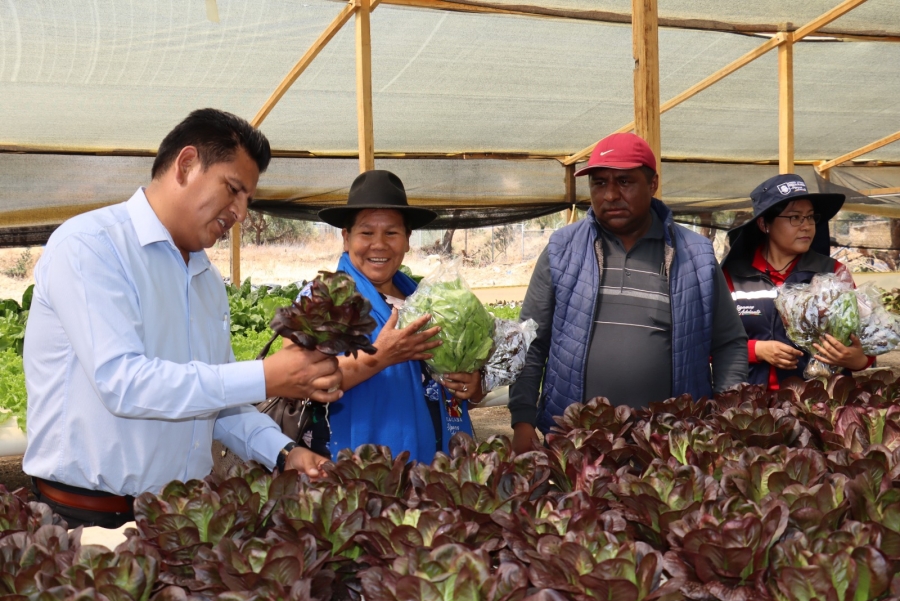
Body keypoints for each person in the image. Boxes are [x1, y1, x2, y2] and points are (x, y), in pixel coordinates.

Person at [22, 109, 343, 528]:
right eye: (233, 190)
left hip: (177, 519)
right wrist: (266, 376)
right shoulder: (91, 247)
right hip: (85, 517)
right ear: (187, 164)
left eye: (248, 199)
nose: (241, 213)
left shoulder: (206, 279)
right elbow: (124, 383)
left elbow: (217, 399)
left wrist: (283, 452)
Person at [508, 133, 748, 453]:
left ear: (653, 184)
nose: (610, 194)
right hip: (576, 441)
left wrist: (725, 419)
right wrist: (523, 420)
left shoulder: (697, 255)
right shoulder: (561, 250)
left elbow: (729, 343)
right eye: (599, 183)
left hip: (670, 444)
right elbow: (530, 342)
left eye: (624, 181)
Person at [296, 170, 484, 466]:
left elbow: (445, 387)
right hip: (361, 470)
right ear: (346, 238)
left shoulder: (425, 297)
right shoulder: (323, 299)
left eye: (392, 233)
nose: (379, 244)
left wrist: (471, 387)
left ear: (408, 240)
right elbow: (299, 379)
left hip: (432, 468)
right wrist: (379, 357)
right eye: (366, 232)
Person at [722, 173, 872, 388]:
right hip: (751, 408)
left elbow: (867, 341)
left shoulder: (833, 273)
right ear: (765, 224)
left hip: (819, 405)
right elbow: (708, 344)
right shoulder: (733, 276)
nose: (806, 226)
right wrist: (757, 350)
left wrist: (858, 360)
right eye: (795, 217)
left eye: (810, 217)